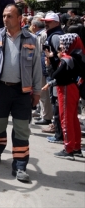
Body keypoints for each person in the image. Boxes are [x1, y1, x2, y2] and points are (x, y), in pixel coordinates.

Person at [0, 4, 42, 183]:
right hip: (0, 89)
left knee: (21, 128)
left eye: (10, 16)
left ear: (20, 18)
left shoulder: (31, 39)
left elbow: (37, 67)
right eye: (4, 16)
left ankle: (20, 165)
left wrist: (37, 91)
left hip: (22, 92)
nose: (5, 19)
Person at [43, 33, 83, 160]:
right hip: (72, 89)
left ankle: (68, 148)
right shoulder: (73, 57)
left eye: (61, 45)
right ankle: (76, 147)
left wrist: (48, 65)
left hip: (66, 90)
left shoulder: (66, 59)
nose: (59, 48)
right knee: (72, 119)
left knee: (65, 119)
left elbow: (55, 75)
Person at [41, 12, 65, 143]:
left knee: (57, 106)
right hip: (55, 76)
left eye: (49, 21)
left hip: (57, 77)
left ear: (56, 23)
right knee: (56, 104)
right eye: (45, 21)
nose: (46, 23)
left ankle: (59, 135)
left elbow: (61, 57)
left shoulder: (55, 37)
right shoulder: (52, 35)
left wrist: (51, 59)